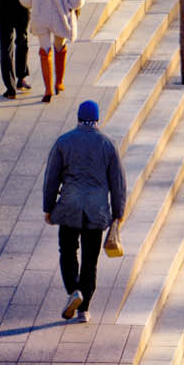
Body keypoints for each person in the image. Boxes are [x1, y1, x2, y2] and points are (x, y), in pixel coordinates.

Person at [42, 98, 126, 323]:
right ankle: (84, 309)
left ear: (78, 119)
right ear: (97, 119)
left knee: (67, 252)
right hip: (96, 211)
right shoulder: (108, 145)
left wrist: (48, 208)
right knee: (90, 259)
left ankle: (73, 291)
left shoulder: (63, 142)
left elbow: (51, 179)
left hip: (69, 207)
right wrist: (118, 213)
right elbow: (117, 183)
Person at [20, 0, 84, 101]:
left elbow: (25, 0)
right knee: (59, 47)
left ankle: (47, 90)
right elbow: (77, 1)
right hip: (60, 19)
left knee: (44, 50)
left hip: (41, 18)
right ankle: (59, 83)